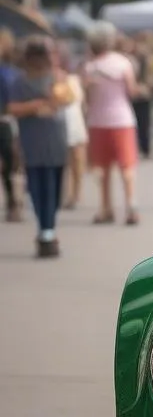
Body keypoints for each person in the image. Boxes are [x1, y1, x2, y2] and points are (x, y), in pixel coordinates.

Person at [4, 38, 69, 257]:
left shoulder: (57, 76)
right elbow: (13, 108)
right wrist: (39, 103)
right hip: (33, 140)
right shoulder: (20, 82)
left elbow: (67, 99)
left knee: (54, 186)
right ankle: (46, 231)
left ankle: (47, 228)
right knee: (39, 187)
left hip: (55, 138)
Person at [83, 21, 141, 224]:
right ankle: (131, 206)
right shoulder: (123, 63)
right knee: (126, 167)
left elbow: (87, 97)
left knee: (102, 168)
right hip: (122, 119)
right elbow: (131, 91)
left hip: (97, 120)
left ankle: (105, 208)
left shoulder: (90, 67)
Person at [55, 44, 88, 209]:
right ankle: (65, 194)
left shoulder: (73, 79)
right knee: (64, 160)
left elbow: (80, 101)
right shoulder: (52, 78)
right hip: (59, 122)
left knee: (77, 159)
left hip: (75, 121)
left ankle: (76, 193)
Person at [0, 27, 24, 221]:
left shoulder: (11, 72)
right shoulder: (12, 73)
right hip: (8, 121)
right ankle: (13, 202)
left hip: (7, 121)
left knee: (11, 164)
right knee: (11, 164)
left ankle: (14, 201)